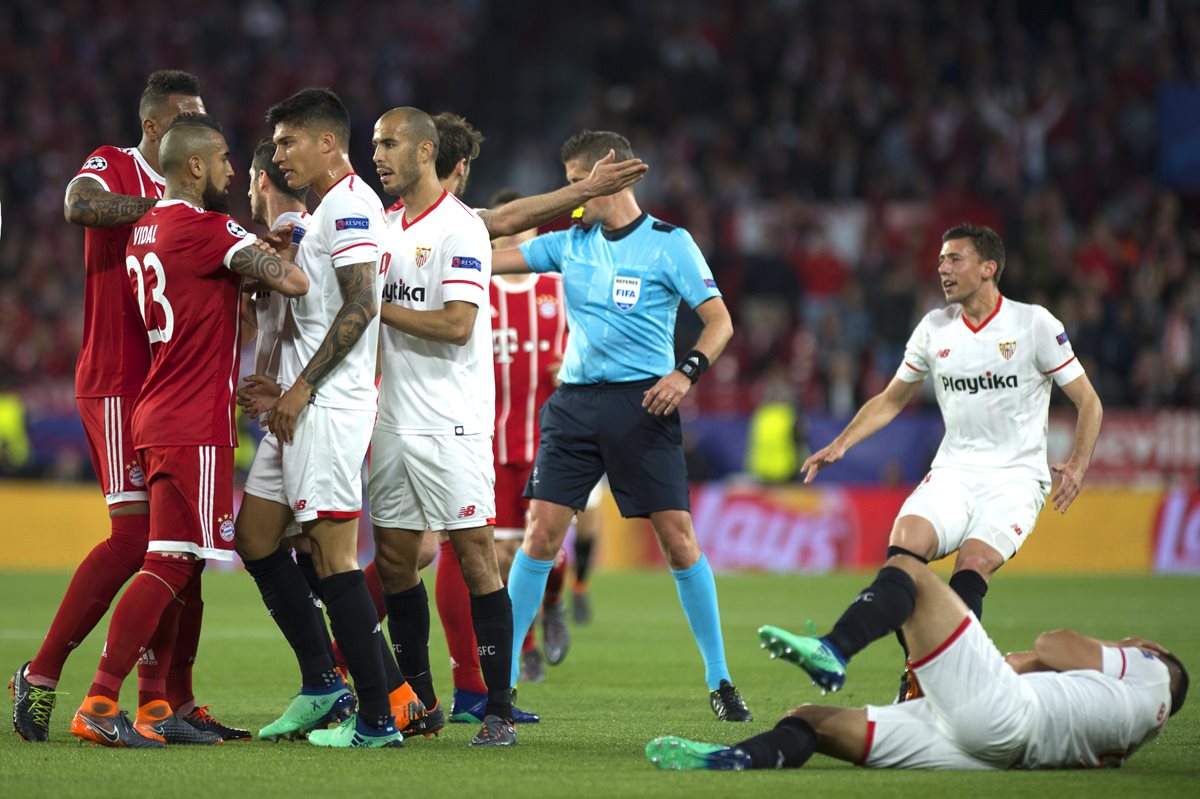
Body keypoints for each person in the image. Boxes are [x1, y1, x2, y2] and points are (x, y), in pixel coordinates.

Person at [11, 70, 245, 744]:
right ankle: (46, 670)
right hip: (118, 379)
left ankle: (163, 703)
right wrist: (162, 214)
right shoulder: (113, 164)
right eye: (184, 116)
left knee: (184, 547)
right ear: (152, 126)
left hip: (171, 387)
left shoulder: (194, 198)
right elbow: (77, 204)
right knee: (135, 540)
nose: (195, 127)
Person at [492, 129, 752, 722]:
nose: (575, 196)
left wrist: (686, 374)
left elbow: (719, 322)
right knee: (539, 537)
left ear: (616, 175)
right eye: (571, 185)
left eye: (584, 182)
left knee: (679, 541)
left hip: (645, 406)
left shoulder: (670, 244)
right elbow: (489, 259)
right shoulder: (570, 243)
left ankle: (720, 679)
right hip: (575, 406)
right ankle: (502, 688)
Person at [69, 113, 309, 748]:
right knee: (172, 563)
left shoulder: (143, 230)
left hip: (154, 411)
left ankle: (154, 709)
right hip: (193, 419)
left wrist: (248, 274)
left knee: (174, 560)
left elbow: (222, 308)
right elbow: (297, 280)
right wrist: (277, 252)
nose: (234, 170)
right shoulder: (211, 227)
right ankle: (99, 697)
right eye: (226, 159)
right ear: (196, 167)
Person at [797, 224, 1103, 699]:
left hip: (1016, 480)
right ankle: (835, 649)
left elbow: (1089, 402)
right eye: (941, 260)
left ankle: (927, 680)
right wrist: (842, 443)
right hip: (954, 472)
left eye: (955, 259)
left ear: (988, 268)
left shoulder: (1033, 324)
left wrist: (1079, 464)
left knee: (973, 562)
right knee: (905, 546)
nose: (943, 268)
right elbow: (891, 399)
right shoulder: (934, 328)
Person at [646, 552, 1188, 771]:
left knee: (912, 571)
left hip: (1003, 714)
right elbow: (1042, 671)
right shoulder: (1138, 721)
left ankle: (834, 649)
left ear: (1154, 651)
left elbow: (1051, 644)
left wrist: (1103, 649)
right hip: (988, 749)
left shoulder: (1152, 668)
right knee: (811, 719)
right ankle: (731, 759)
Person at [233, 88, 403, 749]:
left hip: (327, 404)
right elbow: (309, 302)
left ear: (326, 143)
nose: (277, 156)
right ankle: (320, 685)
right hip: (295, 404)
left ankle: (377, 719)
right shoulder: (324, 211)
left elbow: (362, 306)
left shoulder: (354, 205)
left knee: (333, 557)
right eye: (274, 147)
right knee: (256, 537)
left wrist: (300, 388)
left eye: (286, 142)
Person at [369, 106, 518, 746]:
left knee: (476, 559)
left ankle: (499, 710)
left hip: (451, 423)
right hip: (392, 421)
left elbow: (457, 324)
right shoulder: (382, 224)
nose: (377, 154)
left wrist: (371, 308)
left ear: (426, 151)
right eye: (374, 143)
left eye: (389, 143)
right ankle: (421, 701)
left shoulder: (460, 228)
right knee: (397, 563)